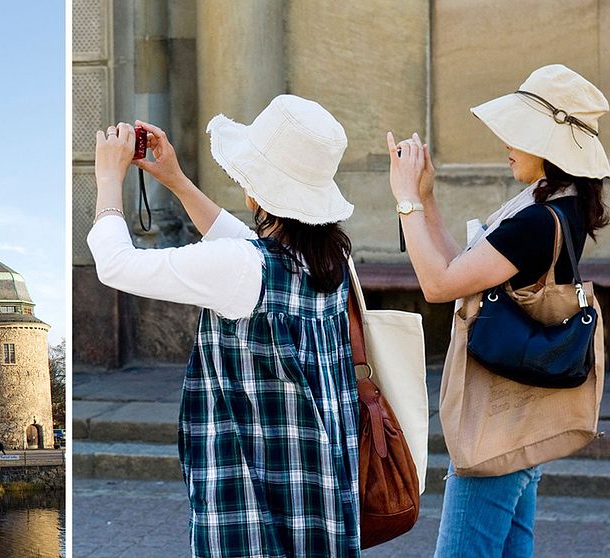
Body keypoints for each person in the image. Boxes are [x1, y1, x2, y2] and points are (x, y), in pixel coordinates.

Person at [89, 95, 360, 557]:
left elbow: (115, 265)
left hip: (250, 480)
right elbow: (241, 242)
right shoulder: (332, 259)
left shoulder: (243, 266)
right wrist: (176, 181)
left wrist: (108, 179)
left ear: (256, 190)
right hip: (318, 475)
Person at [386, 64, 609, 557]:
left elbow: (438, 283)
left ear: (550, 146)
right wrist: (424, 197)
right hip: (522, 418)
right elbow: (458, 267)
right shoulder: (555, 208)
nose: (506, 142)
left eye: (518, 133)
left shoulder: (534, 221)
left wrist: (405, 199)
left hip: (497, 428)